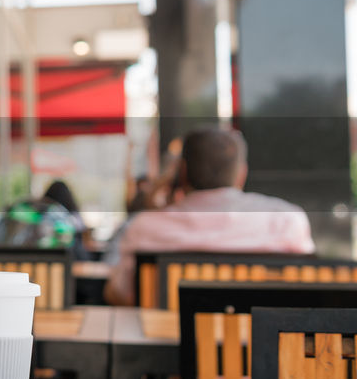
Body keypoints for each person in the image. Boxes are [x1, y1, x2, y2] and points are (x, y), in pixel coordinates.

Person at [103, 127, 314, 305]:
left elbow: (121, 294)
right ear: (242, 173)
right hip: (268, 349)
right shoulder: (287, 220)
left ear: (182, 171)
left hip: (167, 350)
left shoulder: (145, 227)